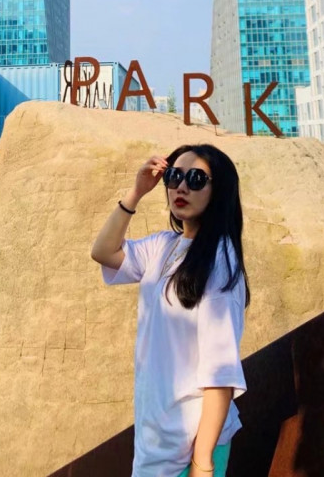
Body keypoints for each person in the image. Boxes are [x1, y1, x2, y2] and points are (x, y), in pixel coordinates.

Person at [91, 144, 250, 477]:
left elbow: (220, 371)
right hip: (157, 441)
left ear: (219, 191)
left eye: (196, 179)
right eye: (175, 176)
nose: (181, 187)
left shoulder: (219, 261)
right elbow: (103, 251)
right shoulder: (164, 246)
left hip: (188, 448)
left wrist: (202, 463)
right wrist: (136, 192)